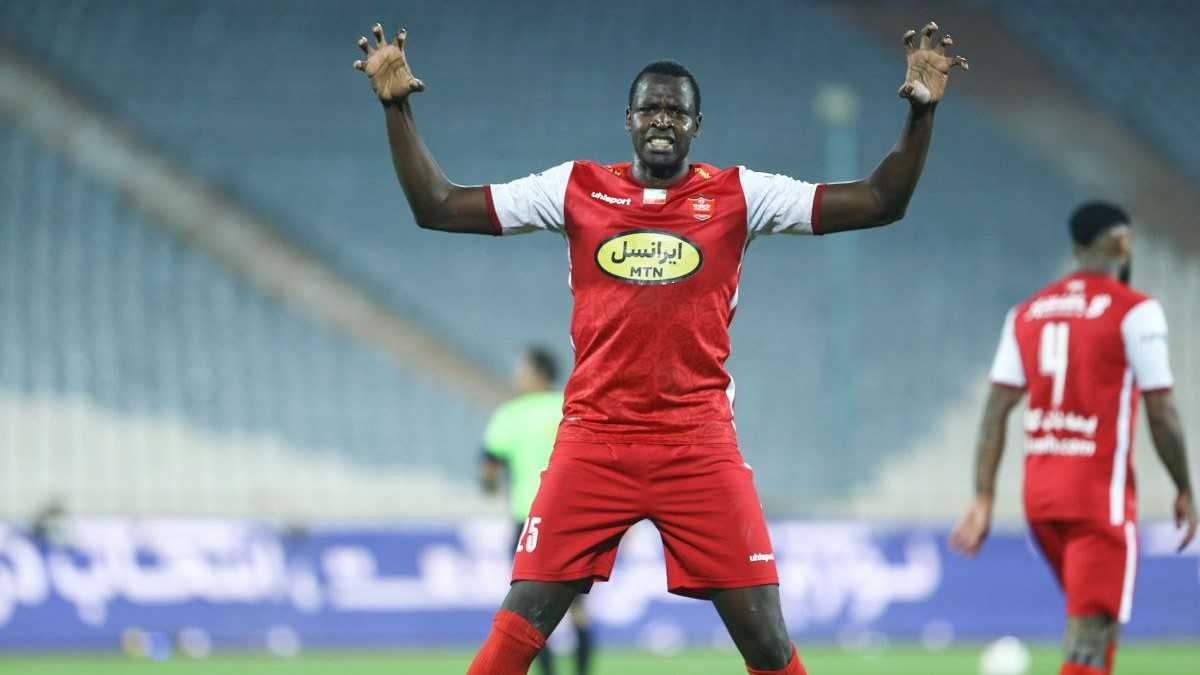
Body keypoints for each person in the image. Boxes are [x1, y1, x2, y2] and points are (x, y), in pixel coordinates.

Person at [353, 19, 967, 675]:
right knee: (518, 627)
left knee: (768, 643)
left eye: (677, 110)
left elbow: (879, 200)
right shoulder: (574, 188)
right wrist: (396, 109)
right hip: (595, 441)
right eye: (651, 108)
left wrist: (921, 115)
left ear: (698, 125)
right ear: (629, 120)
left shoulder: (741, 195)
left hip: (697, 444)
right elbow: (438, 205)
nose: (663, 119)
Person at [950, 202, 1197, 675]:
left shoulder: (1026, 313)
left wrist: (983, 496)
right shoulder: (1135, 310)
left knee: (1095, 626)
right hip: (1096, 500)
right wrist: (1184, 485)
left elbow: (994, 412)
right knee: (1090, 639)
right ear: (1121, 243)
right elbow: (1162, 412)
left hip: (1041, 501)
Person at [481, 346, 592, 675]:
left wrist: (496, 486)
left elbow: (488, 472)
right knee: (577, 609)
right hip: (573, 520)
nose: (517, 376)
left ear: (536, 374)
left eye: (522, 370)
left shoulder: (510, 414)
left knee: (528, 611)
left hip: (528, 522)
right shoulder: (570, 406)